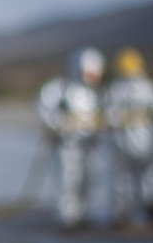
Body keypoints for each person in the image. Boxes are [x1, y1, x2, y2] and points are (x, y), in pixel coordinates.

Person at [36, 47, 106, 229]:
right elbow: (44, 110)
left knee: (88, 180)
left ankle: (82, 215)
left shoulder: (95, 93)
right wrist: (59, 123)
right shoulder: (60, 88)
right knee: (69, 181)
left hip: (90, 145)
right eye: (88, 73)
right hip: (68, 147)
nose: (92, 77)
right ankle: (68, 218)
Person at [103, 47, 153, 225]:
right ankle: (152, 207)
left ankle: (121, 213)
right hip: (147, 141)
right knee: (151, 174)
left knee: (121, 178)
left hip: (121, 143)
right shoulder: (151, 87)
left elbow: (108, 116)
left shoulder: (114, 89)